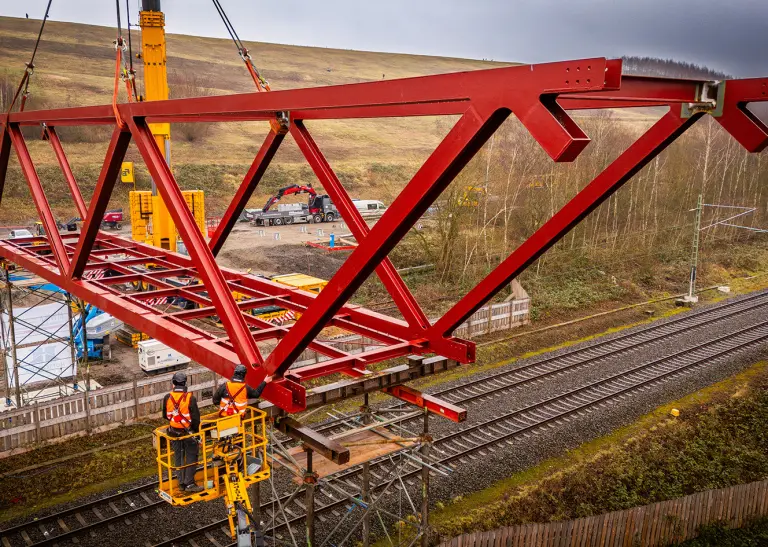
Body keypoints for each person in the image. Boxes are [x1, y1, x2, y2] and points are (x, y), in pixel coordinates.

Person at [162, 371, 203, 493]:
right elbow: (196, 419)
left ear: (173, 383)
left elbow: (165, 415)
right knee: (191, 456)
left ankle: (181, 483)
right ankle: (189, 483)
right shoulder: (190, 398)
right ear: (185, 383)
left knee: (178, 457)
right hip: (188, 433)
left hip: (173, 432)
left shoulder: (167, 397)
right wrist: (195, 432)